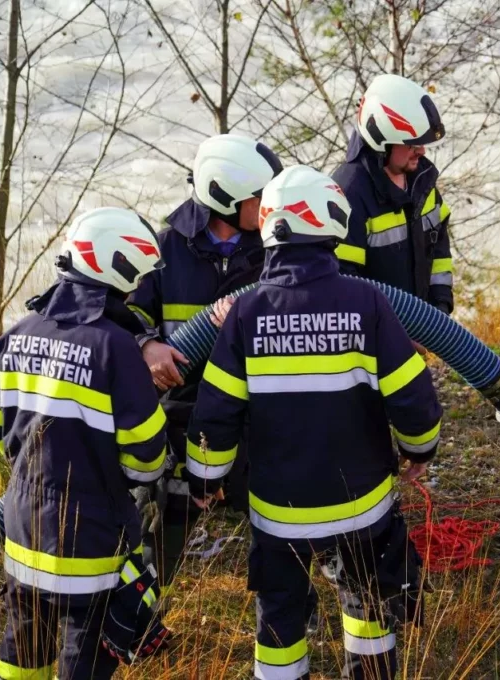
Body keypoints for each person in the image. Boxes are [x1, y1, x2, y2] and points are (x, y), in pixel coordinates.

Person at [185, 165, 443, 679]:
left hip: (278, 513)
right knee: (368, 603)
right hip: (362, 506)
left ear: (270, 227)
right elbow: (413, 397)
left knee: (279, 622)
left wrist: (206, 481)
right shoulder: (367, 302)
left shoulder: (245, 312)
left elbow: (215, 414)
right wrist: (420, 450)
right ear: (332, 224)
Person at [0, 207, 172, 678]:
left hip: (23, 530)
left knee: (23, 647)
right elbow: (148, 459)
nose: (136, 291)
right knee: (84, 653)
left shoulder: (15, 335)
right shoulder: (117, 347)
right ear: (117, 271)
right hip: (89, 539)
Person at [126, 134, 283, 589]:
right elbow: (125, 314)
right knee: (168, 520)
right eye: (261, 199)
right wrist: (144, 344)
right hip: (182, 411)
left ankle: (288, 599)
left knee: (276, 516)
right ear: (225, 201)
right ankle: (144, 603)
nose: (271, 207)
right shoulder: (164, 251)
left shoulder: (274, 247)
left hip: (256, 412)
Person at [331, 73, 454, 319]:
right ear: (381, 140)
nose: (421, 150)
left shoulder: (421, 182)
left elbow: (439, 251)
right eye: (411, 143)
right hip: (371, 345)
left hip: (418, 329)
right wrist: (390, 334)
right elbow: (342, 288)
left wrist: (440, 305)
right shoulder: (349, 194)